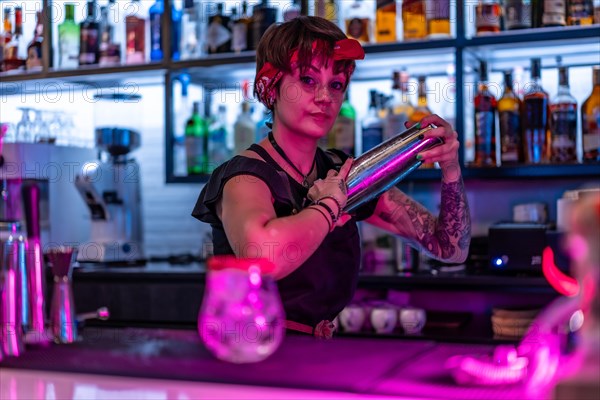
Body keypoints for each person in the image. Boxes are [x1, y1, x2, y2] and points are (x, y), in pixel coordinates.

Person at [192, 16, 471, 338]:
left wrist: (451, 170)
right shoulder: (244, 177)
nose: (325, 97)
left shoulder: (343, 172)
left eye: (336, 84)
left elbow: (449, 248)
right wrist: (329, 205)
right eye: (308, 81)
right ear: (270, 87)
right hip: (257, 354)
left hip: (321, 351)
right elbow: (262, 257)